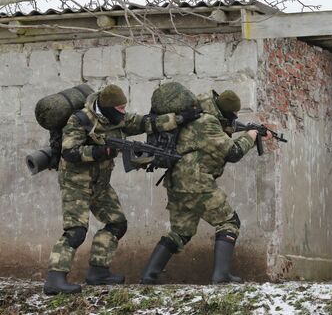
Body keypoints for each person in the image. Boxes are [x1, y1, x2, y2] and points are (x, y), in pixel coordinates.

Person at [44, 84, 179, 295]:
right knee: (76, 231)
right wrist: (103, 151)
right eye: (120, 108)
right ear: (107, 108)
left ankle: (98, 271)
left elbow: (144, 123)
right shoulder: (80, 120)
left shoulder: (119, 118)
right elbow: (70, 152)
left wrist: (178, 118)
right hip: (76, 183)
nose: (124, 112)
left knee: (117, 224)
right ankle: (55, 278)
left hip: (100, 184)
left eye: (125, 108)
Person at [140, 89, 269, 284]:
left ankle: (149, 276)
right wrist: (250, 136)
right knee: (229, 222)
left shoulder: (198, 116)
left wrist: (238, 130)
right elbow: (232, 152)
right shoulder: (208, 122)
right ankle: (221, 275)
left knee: (180, 233)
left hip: (178, 182)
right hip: (195, 182)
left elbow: (210, 140)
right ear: (227, 113)